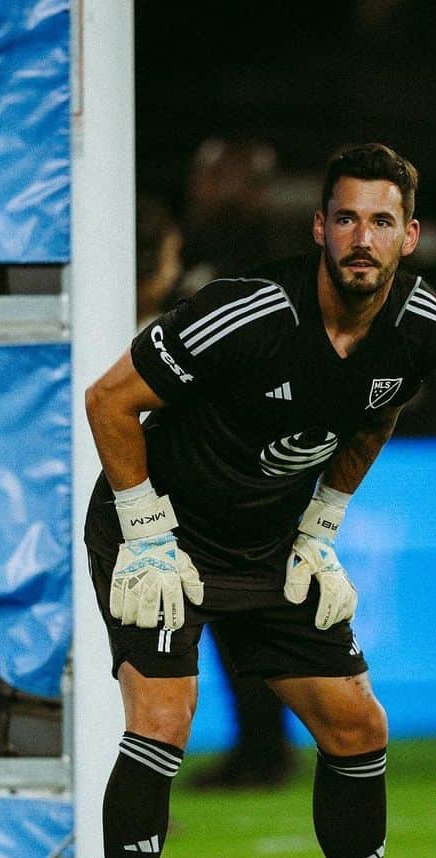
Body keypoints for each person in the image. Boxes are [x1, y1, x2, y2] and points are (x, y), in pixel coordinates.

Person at [84, 143, 436, 858]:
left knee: (356, 723)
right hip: (160, 530)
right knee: (164, 714)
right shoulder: (246, 312)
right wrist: (146, 529)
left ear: (410, 236)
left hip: (267, 543)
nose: (360, 238)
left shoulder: (426, 330)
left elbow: (380, 410)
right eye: (345, 220)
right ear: (318, 229)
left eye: (380, 221)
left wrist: (321, 525)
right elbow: (110, 401)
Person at [137, 191, 296, 789]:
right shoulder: (161, 330)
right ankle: (255, 751)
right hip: (172, 509)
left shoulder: (174, 323)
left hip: (202, 504)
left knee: (223, 634)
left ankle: (261, 751)